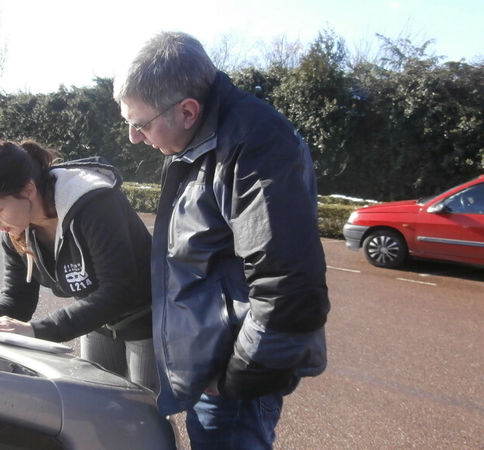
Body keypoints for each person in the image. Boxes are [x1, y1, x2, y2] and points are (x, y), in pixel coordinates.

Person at [113, 31, 331, 448]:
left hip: (233, 380)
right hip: (214, 367)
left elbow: (290, 287)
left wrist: (235, 380)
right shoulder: (198, 140)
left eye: (139, 124)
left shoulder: (254, 145)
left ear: (188, 111)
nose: (133, 138)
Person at [0, 139, 157, 392]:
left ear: (27, 190)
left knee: (145, 411)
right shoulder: (16, 230)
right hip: (95, 319)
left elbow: (118, 292)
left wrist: (36, 331)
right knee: (97, 402)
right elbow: (18, 302)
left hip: (147, 317)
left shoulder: (96, 205)